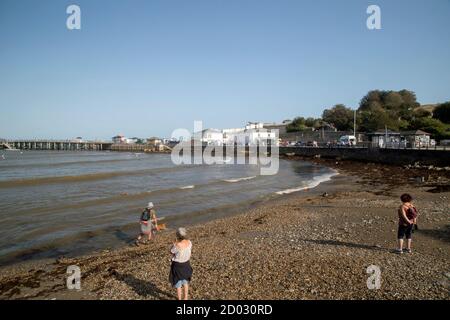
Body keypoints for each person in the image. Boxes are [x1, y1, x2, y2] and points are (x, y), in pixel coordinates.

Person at [169, 227, 193, 300]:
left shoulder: (177, 245)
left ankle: (179, 299)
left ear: (177, 236)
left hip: (178, 265)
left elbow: (171, 251)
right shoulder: (189, 242)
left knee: (178, 283)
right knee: (185, 282)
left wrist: (174, 244)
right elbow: (188, 251)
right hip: (186, 264)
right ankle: (185, 298)